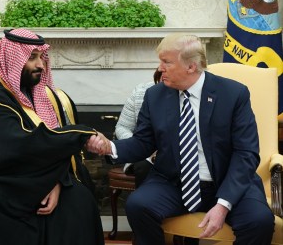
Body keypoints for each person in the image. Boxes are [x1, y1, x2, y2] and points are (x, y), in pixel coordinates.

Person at [86, 33, 275, 245]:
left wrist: (223, 205)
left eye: (166, 62)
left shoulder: (233, 94)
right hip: (174, 182)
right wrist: (109, 147)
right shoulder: (155, 96)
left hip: (228, 181)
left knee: (260, 221)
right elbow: (143, 142)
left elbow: (246, 153)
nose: (159, 69)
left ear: (191, 67)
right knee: (138, 205)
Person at [0, 28, 104, 245]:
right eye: (32, 57)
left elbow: (57, 151)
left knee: (79, 201)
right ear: (13, 60)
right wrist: (82, 134)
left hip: (42, 178)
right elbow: (23, 145)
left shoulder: (50, 98)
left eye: (42, 57)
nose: (40, 65)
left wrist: (57, 182)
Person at [116, 69, 161, 187]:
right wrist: (139, 144)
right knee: (143, 167)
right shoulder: (141, 91)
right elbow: (122, 127)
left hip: (173, 155)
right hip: (144, 157)